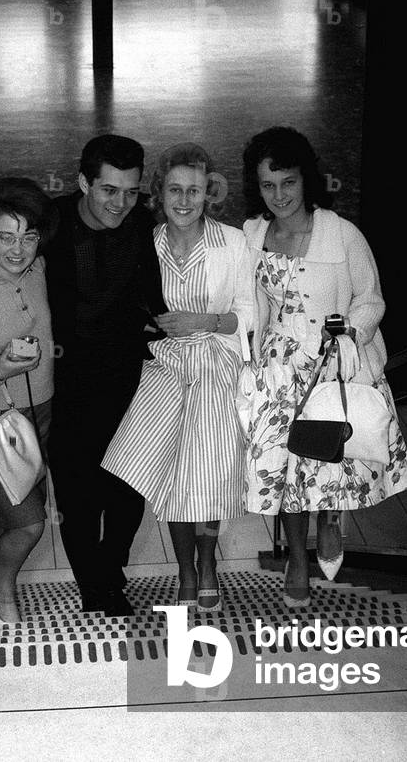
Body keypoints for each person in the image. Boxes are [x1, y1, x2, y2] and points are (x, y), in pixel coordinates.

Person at [242, 126, 407, 607]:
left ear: (306, 180)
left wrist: (349, 336)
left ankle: (331, 517)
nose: (279, 196)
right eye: (268, 185)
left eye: (288, 183)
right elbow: (247, 301)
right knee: (288, 469)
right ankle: (297, 557)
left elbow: (371, 299)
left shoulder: (341, 234)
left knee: (330, 458)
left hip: (332, 364)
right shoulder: (253, 235)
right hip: (278, 370)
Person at [102, 143, 255, 610]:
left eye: (194, 190)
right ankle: (184, 568)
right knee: (170, 479)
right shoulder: (145, 242)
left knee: (205, 478)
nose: (184, 200)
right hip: (164, 367)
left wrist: (203, 321)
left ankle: (205, 566)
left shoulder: (232, 242)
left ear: (209, 193)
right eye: (174, 190)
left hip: (215, 366)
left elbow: (249, 313)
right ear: (159, 193)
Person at [44, 134, 166, 616]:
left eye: (131, 192)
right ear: (83, 183)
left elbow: (155, 295)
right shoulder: (51, 224)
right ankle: (94, 588)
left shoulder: (141, 223)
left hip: (125, 374)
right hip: (66, 377)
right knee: (76, 491)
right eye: (109, 190)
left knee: (126, 484)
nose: (120, 203)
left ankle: (110, 570)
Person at [0, 178, 58, 624]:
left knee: (11, 511)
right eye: (6, 237)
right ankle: (1, 589)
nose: (18, 250)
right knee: (29, 522)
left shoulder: (38, 269)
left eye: (28, 237)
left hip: (41, 410)